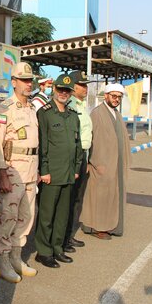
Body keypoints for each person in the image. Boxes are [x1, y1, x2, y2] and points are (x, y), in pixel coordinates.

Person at [0, 62, 39, 283]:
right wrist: (1, 175)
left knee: (26, 219)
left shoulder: (31, 108)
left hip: (30, 173)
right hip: (12, 173)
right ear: (14, 82)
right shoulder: (5, 107)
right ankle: (3, 263)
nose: (29, 84)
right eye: (24, 80)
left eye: (30, 80)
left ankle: (17, 259)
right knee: (7, 219)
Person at [34, 74, 83, 268]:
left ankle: (57, 248)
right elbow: (42, 143)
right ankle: (43, 251)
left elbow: (77, 144)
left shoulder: (72, 115)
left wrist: (77, 168)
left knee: (62, 214)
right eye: (60, 89)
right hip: (51, 173)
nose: (63, 93)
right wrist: (43, 170)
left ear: (71, 93)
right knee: (47, 215)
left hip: (69, 173)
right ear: (54, 89)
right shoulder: (45, 113)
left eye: (67, 90)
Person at [80, 83, 131, 240]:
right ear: (106, 96)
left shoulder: (116, 114)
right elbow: (89, 139)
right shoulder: (97, 113)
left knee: (113, 195)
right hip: (101, 165)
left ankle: (111, 226)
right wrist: (91, 162)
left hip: (115, 164)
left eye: (119, 97)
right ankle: (97, 227)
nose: (116, 100)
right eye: (114, 96)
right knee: (99, 196)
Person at [63, 70, 93, 252]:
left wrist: (87, 160)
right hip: (73, 156)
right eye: (82, 85)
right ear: (73, 87)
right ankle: (64, 238)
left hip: (83, 156)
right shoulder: (70, 105)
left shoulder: (82, 105)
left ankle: (69, 236)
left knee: (76, 200)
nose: (86, 88)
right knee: (69, 199)